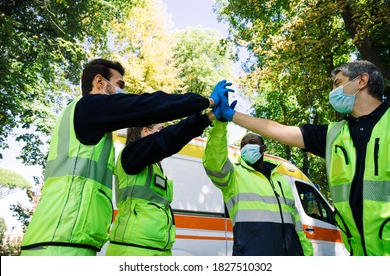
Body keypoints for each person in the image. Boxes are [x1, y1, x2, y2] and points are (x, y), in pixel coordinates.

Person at [20, 59, 231, 256]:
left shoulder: (83, 121)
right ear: (100, 82)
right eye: (119, 84)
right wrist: (207, 102)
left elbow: (167, 136)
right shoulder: (87, 107)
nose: (122, 92)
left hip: (63, 235)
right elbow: (149, 111)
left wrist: (208, 116)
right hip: (61, 240)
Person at [217, 60, 389, 256]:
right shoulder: (334, 135)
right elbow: (278, 130)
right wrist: (230, 115)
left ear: (362, 81)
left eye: (338, 83)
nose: (333, 91)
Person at [202, 111, 313, 255]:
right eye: (243, 145)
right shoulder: (234, 175)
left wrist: (307, 254)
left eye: (252, 142)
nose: (247, 146)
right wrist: (220, 126)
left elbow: (296, 223)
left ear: (263, 148)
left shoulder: (281, 179)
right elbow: (214, 162)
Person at [106, 110, 215, 256]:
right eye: (160, 130)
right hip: (134, 248)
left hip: (157, 248)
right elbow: (169, 139)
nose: (162, 134)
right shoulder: (130, 154)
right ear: (145, 131)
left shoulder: (154, 167)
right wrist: (205, 118)